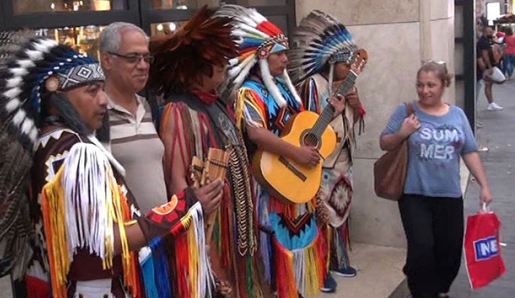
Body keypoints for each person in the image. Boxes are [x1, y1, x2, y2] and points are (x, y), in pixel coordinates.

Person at [0, 32, 223, 298]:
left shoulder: (40, 146)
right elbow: (105, 241)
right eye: (92, 91)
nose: (103, 100)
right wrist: (185, 206)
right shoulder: (79, 154)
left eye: (102, 89)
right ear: (56, 97)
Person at [215, 5, 332, 297]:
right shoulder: (249, 93)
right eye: (279, 53)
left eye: (285, 53)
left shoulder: (284, 90)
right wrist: (296, 153)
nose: (285, 58)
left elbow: (300, 128)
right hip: (270, 186)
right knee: (274, 261)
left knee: (299, 254)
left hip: (296, 184)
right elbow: (256, 132)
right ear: (261, 58)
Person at [147, 6, 263, 297]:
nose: (224, 68)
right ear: (195, 68)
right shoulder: (177, 110)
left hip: (237, 226)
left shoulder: (217, 102)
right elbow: (176, 181)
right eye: (218, 62)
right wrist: (201, 244)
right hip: (210, 231)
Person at [380, 61, 492, 298]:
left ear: (444, 85)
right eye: (420, 85)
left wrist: (484, 184)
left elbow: (469, 150)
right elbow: (384, 143)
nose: (424, 90)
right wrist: (403, 133)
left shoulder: (457, 115)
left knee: (449, 251)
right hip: (414, 194)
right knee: (421, 247)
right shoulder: (406, 111)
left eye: (431, 85)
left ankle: (441, 289)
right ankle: (422, 291)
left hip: (449, 194)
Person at [288, 10, 366, 293]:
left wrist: (354, 105)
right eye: (347, 61)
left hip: (342, 162)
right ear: (332, 62)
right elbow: (310, 129)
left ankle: (338, 259)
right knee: (321, 216)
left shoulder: (344, 86)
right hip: (319, 165)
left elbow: (354, 124)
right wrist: (335, 110)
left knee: (342, 210)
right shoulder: (312, 85)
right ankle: (320, 269)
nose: (351, 66)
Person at [99, 22, 168, 213]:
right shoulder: (96, 114)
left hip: (159, 235)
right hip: (125, 237)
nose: (143, 66)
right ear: (107, 60)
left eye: (146, 58)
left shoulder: (148, 107)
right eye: (133, 58)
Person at [477, 26, 503, 111]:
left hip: (489, 65)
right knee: (488, 84)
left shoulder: (487, 40)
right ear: (485, 32)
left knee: (489, 84)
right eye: (489, 32)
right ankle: (491, 103)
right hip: (487, 66)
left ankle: (491, 103)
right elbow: (485, 55)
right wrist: (489, 66)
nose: (491, 33)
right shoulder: (483, 41)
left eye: (491, 32)